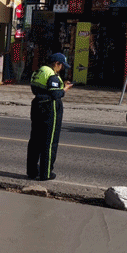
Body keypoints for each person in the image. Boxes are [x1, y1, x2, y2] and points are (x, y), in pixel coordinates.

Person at [27, 52, 72, 181]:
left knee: (35, 141)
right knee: (50, 141)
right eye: (61, 65)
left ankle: (32, 171)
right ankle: (46, 173)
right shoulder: (52, 75)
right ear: (57, 64)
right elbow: (55, 94)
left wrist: (60, 85)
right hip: (49, 107)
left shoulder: (39, 71)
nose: (61, 68)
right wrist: (65, 89)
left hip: (37, 105)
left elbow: (38, 88)